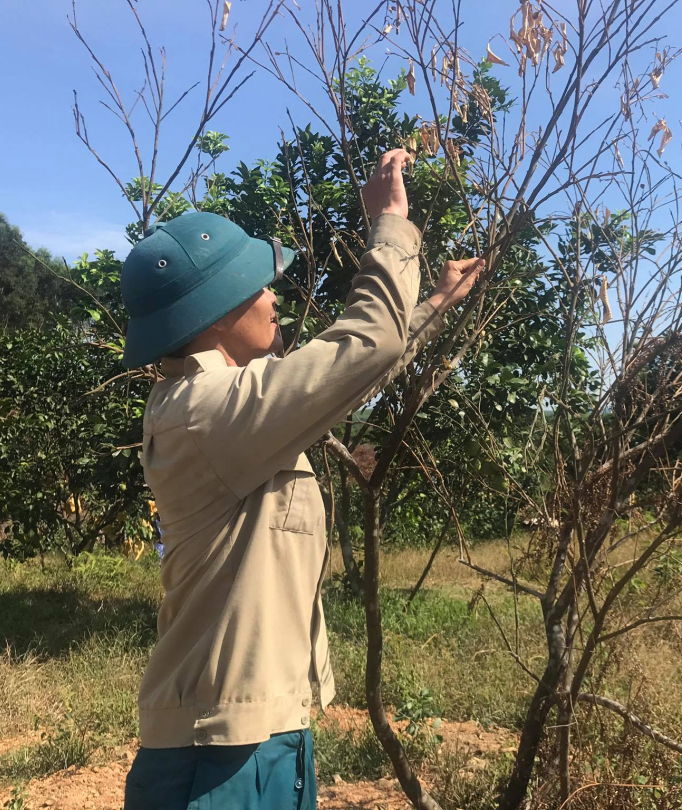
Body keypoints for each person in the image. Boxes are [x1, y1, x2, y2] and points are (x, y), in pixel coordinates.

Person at [118, 148, 482, 809]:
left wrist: (432, 303)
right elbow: (362, 346)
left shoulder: (217, 406)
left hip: (244, 732)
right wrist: (391, 225)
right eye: (259, 286)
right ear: (216, 312)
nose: (272, 297)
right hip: (223, 756)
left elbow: (346, 375)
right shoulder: (213, 412)